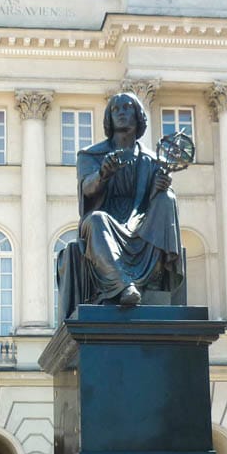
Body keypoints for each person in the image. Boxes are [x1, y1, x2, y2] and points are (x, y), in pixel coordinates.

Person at [72, 92, 184, 307]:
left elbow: (150, 204)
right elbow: (87, 189)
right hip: (104, 223)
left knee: (167, 198)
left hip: (139, 222)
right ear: (109, 118)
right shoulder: (90, 155)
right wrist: (102, 174)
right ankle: (124, 286)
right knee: (97, 219)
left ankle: (155, 278)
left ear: (139, 115)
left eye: (127, 107)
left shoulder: (152, 160)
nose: (122, 112)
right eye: (116, 109)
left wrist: (158, 189)